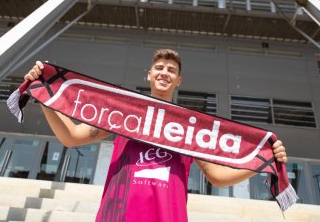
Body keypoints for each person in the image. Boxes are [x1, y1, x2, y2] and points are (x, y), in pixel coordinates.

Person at [24, 49, 287, 221]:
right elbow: (72, 137)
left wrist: (263, 163)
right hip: (118, 215)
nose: (165, 72)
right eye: (159, 67)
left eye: (171, 70)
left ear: (179, 81)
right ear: (149, 74)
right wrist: (43, 95)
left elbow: (217, 177)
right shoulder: (124, 112)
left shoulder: (191, 126)